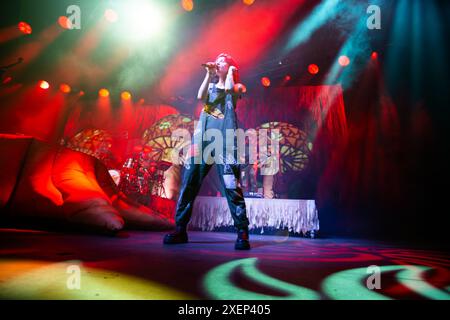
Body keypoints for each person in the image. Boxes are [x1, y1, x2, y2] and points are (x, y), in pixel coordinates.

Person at [163, 53, 250, 250]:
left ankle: (242, 231)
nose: (217, 62)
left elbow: (228, 89)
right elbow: (200, 97)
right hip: (202, 141)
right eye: (217, 60)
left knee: (231, 186)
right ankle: (180, 228)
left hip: (225, 141)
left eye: (222, 60)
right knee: (189, 182)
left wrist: (230, 74)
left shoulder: (235, 87)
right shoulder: (211, 86)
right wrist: (208, 74)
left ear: (231, 67)